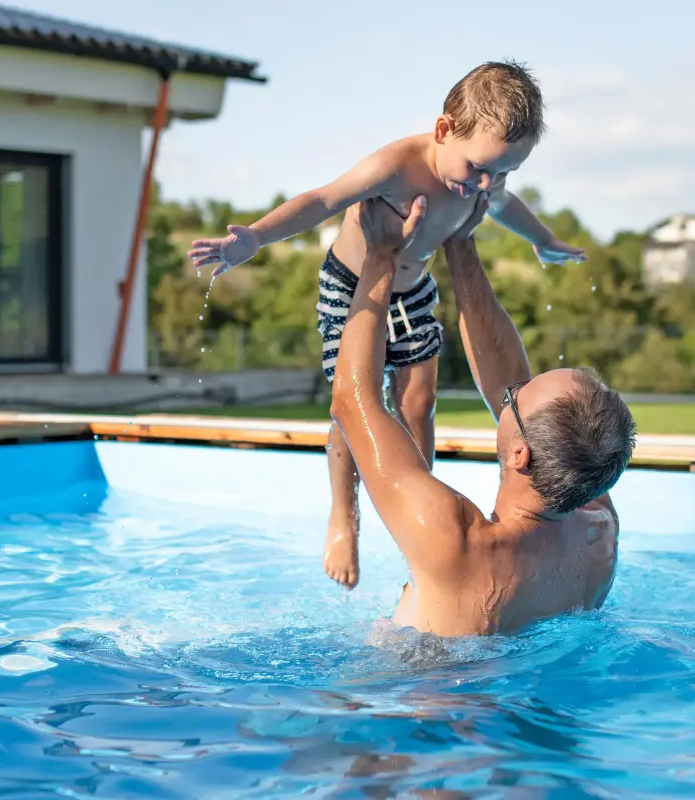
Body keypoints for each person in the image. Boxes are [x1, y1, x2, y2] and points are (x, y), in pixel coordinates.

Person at [188, 61, 586, 590]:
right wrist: (255, 239)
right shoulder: (398, 166)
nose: (486, 185)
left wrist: (544, 241)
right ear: (444, 130)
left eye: (504, 172)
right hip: (352, 289)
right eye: (478, 167)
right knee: (354, 406)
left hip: (415, 290)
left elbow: (507, 208)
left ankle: (421, 512)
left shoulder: (479, 182)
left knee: (420, 402)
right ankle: (342, 518)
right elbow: (323, 200)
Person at [327, 193, 637, 637]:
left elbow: (352, 401)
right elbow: (508, 379)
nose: (510, 389)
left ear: (520, 456)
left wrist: (381, 254)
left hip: (419, 691)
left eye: (516, 395)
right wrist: (460, 243)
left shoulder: (456, 542)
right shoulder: (598, 528)